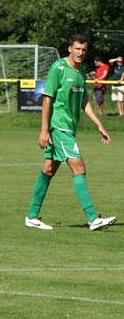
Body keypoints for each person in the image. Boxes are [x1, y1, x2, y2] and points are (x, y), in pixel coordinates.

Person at [24, 34, 115, 231]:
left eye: (84, 50)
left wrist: (99, 125)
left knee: (49, 169)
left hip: (69, 129)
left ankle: (32, 216)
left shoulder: (82, 70)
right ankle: (93, 218)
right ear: (70, 48)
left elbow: (84, 102)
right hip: (59, 127)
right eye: (77, 49)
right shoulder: (59, 68)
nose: (81, 53)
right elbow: (47, 98)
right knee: (79, 168)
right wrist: (44, 130)